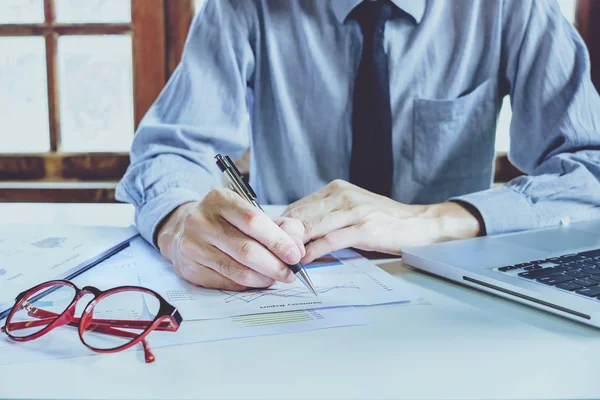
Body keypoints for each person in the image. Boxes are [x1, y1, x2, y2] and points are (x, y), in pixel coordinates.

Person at [117, 0, 600, 291]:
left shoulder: (511, 8)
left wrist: (432, 220)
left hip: (455, 304)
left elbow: (590, 168)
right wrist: (180, 225)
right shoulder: (245, 7)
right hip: (285, 294)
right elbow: (167, 152)